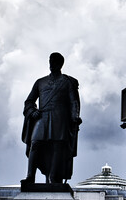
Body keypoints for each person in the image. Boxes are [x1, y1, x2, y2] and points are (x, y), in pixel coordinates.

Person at [21, 52, 81, 184]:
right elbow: (29, 101)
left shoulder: (67, 82)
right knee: (35, 143)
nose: (51, 64)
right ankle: (30, 176)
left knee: (57, 146)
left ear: (60, 64)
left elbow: (73, 103)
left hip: (60, 118)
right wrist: (32, 111)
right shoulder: (40, 82)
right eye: (50, 61)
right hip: (42, 117)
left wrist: (75, 118)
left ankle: (53, 176)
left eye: (54, 61)